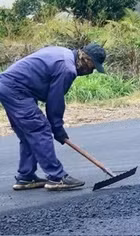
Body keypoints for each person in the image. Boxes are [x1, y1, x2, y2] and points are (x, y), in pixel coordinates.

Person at [0, 44, 106, 191]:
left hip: (9, 86)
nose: (90, 72)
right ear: (86, 59)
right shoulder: (67, 69)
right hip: (16, 89)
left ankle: (26, 177)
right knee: (40, 130)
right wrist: (57, 128)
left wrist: (57, 128)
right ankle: (57, 177)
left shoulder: (64, 54)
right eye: (92, 67)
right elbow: (55, 101)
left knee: (29, 133)